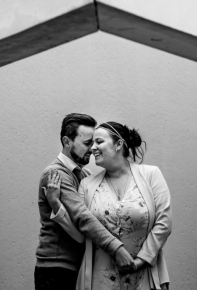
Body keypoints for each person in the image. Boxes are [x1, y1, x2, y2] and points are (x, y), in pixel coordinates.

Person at [44, 122, 171, 290]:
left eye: (99, 142)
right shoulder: (86, 184)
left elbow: (164, 223)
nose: (93, 148)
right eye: (91, 143)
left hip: (144, 276)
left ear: (118, 144)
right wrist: (56, 207)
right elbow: (82, 235)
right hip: (100, 282)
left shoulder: (151, 175)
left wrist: (140, 261)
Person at [35, 114, 136, 290]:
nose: (93, 148)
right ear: (67, 142)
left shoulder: (85, 176)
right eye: (87, 143)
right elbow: (83, 217)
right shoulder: (55, 174)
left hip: (76, 267)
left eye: (96, 143)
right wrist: (116, 249)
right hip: (56, 269)